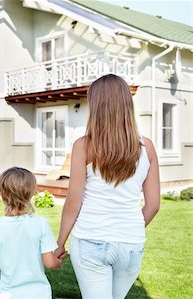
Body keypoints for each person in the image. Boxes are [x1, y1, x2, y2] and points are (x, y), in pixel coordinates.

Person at [55, 74, 160, 299]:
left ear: (96, 106)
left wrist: (59, 243)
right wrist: (128, 229)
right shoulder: (147, 147)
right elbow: (153, 205)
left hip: (91, 240)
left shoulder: (84, 146)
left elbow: (74, 203)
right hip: (131, 245)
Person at [0, 167, 65, 299]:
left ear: (1, 194)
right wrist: (58, 261)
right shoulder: (40, 223)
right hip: (39, 294)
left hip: (8, 294)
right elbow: (49, 262)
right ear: (31, 193)